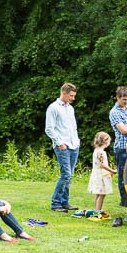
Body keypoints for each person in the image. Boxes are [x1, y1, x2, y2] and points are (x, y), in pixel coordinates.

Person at [45, 83, 80, 213]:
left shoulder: (70, 108)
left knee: (69, 176)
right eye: (71, 96)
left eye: (74, 96)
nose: (73, 98)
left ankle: (65, 202)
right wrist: (60, 143)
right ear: (64, 93)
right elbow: (49, 128)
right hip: (62, 146)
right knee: (66, 174)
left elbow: (72, 127)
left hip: (74, 144)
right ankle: (55, 203)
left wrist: (76, 141)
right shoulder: (53, 108)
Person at [87, 132, 116, 217]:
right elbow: (102, 165)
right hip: (101, 175)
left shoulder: (96, 150)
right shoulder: (101, 153)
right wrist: (112, 171)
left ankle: (97, 210)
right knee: (102, 194)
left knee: (98, 193)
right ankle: (98, 212)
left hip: (97, 174)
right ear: (105, 141)